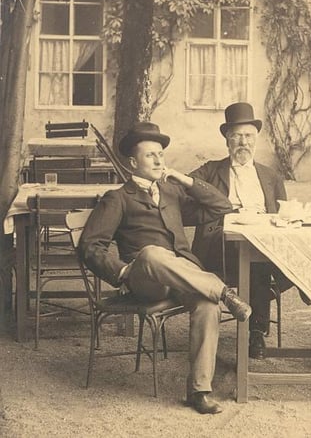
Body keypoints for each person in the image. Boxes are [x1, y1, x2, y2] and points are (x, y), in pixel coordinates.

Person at [79, 121, 252, 415]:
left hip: (182, 277)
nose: (159, 160)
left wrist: (184, 180)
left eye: (161, 154)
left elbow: (222, 206)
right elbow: (89, 246)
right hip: (145, 278)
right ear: (133, 162)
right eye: (150, 155)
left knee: (208, 305)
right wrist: (121, 272)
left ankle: (199, 391)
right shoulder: (118, 198)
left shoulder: (172, 193)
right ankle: (224, 291)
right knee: (151, 253)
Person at [190, 102, 299, 360]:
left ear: (256, 140)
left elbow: (281, 212)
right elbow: (185, 187)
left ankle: (259, 321)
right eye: (236, 136)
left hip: (263, 241)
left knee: (286, 258)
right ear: (227, 140)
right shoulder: (210, 170)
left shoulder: (270, 176)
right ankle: (257, 330)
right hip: (220, 245)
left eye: (248, 136)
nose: (243, 142)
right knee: (255, 261)